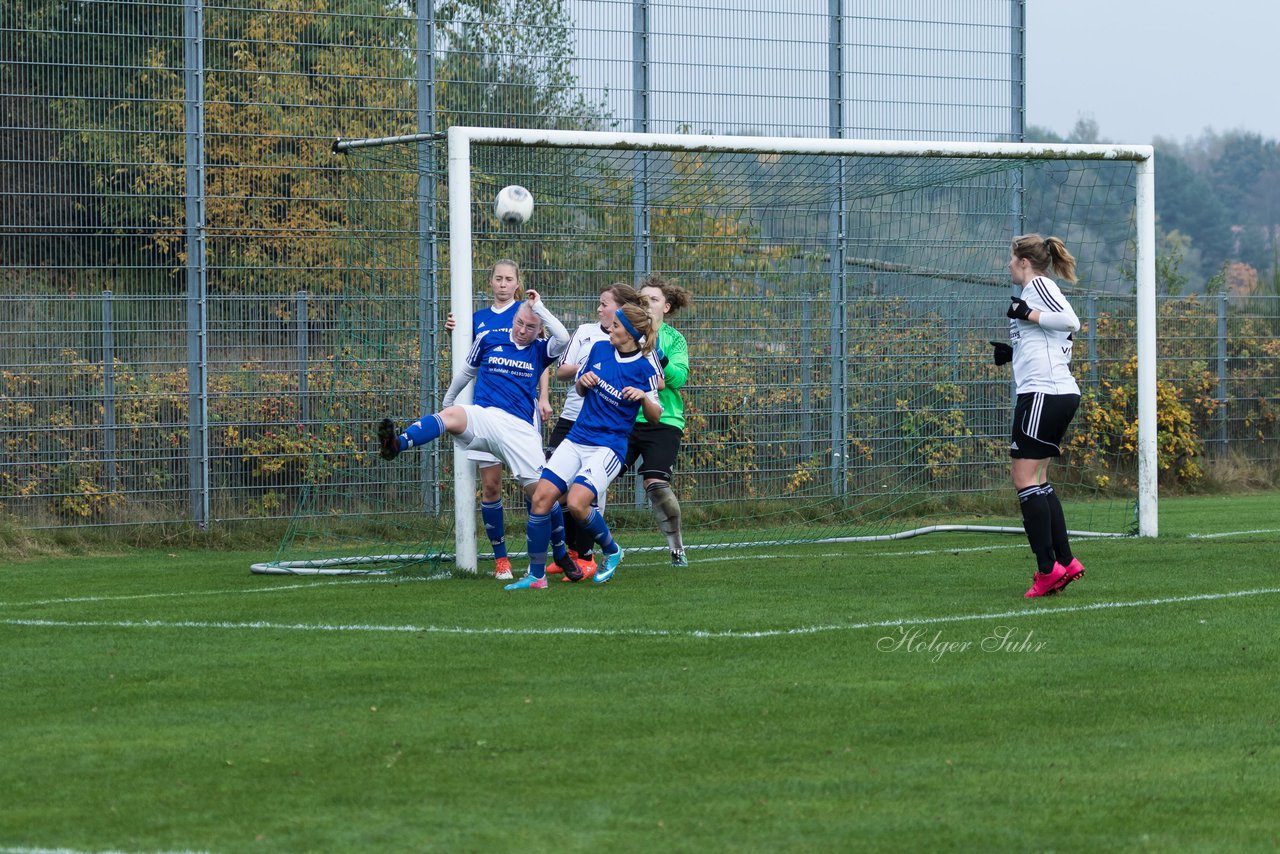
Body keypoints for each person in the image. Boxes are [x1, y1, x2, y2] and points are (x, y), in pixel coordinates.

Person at [379, 292, 582, 581]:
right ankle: (397, 443)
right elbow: (467, 371)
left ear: (539, 330)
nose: (522, 331)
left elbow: (562, 336)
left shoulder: (539, 349)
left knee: (542, 497)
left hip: (520, 430)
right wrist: (449, 400)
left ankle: (560, 553)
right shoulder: (489, 338)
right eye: (520, 323)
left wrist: (538, 307)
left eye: (530, 327)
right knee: (451, 417)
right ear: (513, 319)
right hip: (485, 416)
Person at [506, 302, 664, 590]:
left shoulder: (644, 367)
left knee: (578, 503)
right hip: (578, 438)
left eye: (616, 326)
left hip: (609, 447)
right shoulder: (600, 349)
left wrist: (643, 397)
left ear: (629, 333)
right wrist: (584, 382)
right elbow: (578, 386)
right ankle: (536, 576)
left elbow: (656, 415)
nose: (610, 329)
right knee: (541, 498)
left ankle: (612, 550)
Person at [442, 259, 553, 580]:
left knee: (536, 488)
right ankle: (501, 559)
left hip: (520, 415)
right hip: (486, 411)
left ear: (517, 283)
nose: (503, 284)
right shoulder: (477, 319)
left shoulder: (527, 311)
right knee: (491, 486)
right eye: (498, 279)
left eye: (509, 279)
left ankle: (555, 554)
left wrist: (543, 397)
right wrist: (453, 329)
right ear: (490, 282)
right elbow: (468, 361)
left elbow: (542, 357)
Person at [992, 233, 1087, 598]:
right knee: (1039, 477)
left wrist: (1025, 312)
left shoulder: (1039, 287)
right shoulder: (1036, 291)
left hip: (1043, 393)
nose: (1008, 265)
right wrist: (1013, 353)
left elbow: (1070, 322)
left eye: (1011, 259)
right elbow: (1050, 341)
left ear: (1025, 263)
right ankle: (1065, 561)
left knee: (1023, 478)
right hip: (1053, 391)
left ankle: (1047, 570)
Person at [546, 282, 646, 577]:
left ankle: (588, 556)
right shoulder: (589, 336)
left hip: (607, 430)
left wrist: (630, 390)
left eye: (605, 304)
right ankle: (563, 554)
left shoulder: (639, 350)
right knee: (551, 490)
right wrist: (586, 373)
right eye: (600, 304)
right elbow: (563, 371)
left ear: (622, 311)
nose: (599, 309)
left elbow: (656, 379)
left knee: (585, 495)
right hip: (573, 421)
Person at [624, 274, 692, 567]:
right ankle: (586, 552)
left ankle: (677, 549)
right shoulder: (623, 332)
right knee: (595, 479)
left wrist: (657, 353)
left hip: (665, 420)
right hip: (625, 417)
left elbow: (678, 377)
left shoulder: (674, 339)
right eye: (642, 300)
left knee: (656, 483)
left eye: (653, 299)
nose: (647, 304)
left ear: (666, 306)